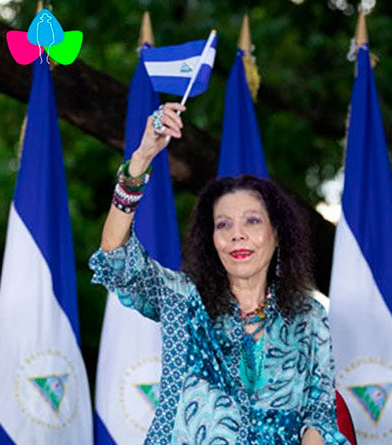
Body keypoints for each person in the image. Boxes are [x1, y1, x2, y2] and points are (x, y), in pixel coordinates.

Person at [89, 102, 350, 444]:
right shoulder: (183, 300)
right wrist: (140, 159)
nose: (236, 234)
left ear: (278, 234)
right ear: (211, 240)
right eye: (223, 224)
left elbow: (319, 416)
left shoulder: (308, 317)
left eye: (252, 221)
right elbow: (116, 259)